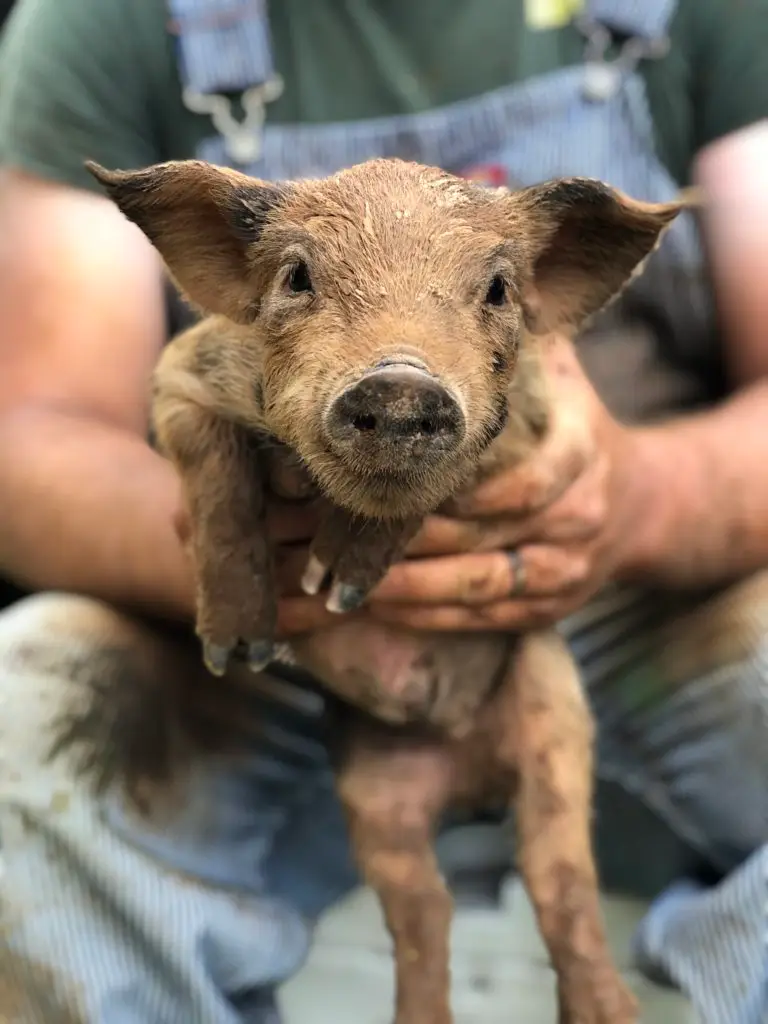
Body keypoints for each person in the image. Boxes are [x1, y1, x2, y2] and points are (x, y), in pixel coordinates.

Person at [0, 0, 767, 1020]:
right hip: (268, 601)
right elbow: (32, 434)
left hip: (641, 577)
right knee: (29, 714)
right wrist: (236, 554)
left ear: (564, 267)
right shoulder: (115, 19)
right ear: (212, 250)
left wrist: (640, 501)